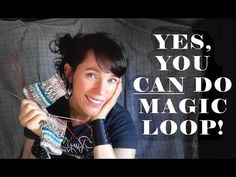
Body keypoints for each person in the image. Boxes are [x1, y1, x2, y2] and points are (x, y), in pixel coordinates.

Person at [18, 32, 137, 159]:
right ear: (69, 73)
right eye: (92, 75)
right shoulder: (45, 110)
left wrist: (98, 120)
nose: (101, 91)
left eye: (111, 80)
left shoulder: (120, 120)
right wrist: (40, 138)